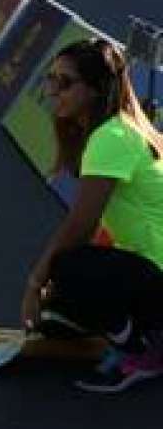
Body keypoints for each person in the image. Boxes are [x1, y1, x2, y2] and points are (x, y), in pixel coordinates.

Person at [22, 39, 163, 393]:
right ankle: (142, 328)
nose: (53, 90)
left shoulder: (111, 137)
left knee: (68, 268)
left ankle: (144, 354)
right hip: (150, 266)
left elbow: (80, 226)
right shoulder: (118, 127)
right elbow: (103, 224)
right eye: (51, 78)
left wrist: (35, 283)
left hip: (157, 272)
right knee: (61, 306)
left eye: (64, 83)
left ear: (96, 89)